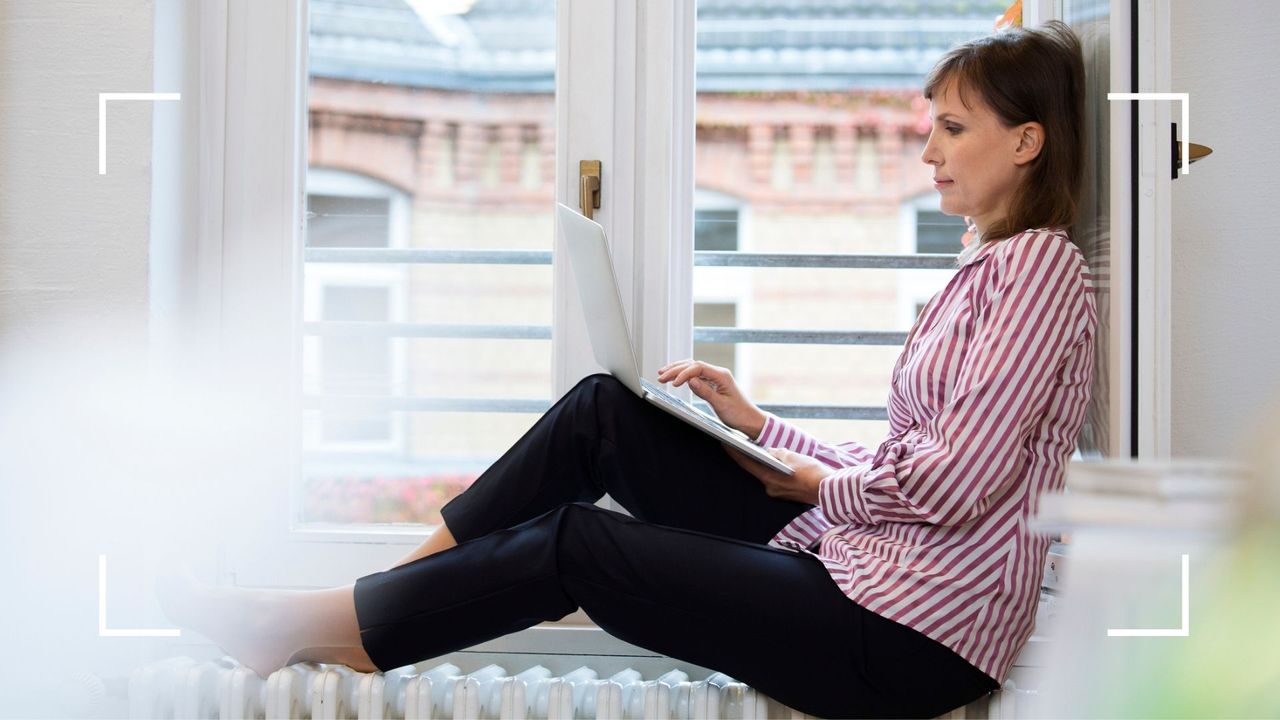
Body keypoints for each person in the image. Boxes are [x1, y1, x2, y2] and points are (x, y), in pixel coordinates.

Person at [157, 20, 1093, 720]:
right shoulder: (988, 265)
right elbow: (917, 454)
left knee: (578, 544)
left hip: (904, 638)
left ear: (1026, 141)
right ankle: (369, 612)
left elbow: (959, 482)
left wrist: (810, 480)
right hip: (860, 568)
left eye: (953, 128)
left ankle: (334, 622)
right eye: (931, 125)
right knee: (604, 412)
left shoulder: (1039, 268)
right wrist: (765, 431)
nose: (927, 149)